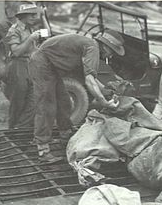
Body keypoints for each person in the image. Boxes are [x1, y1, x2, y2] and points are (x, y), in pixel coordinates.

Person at [29, 29, 125, 162]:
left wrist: (107, 92)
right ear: (106, 47)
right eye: (112, 52)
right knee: (47, 105)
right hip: (42, 64)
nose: (111, 55)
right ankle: (42, 149)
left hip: (51, 65)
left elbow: (92, 78)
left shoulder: (89, 45)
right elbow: (89, 81)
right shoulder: (93, 48)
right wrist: (103, 101)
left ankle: (65, 136)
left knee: (64, 101)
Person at [4, 2, 44, 128]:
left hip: (30, 65)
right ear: (23, 16)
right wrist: (30, 39)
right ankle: (13, 131)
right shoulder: (14, 30)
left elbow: (47, 33)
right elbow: (16, 52)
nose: (34, 17)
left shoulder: (30, 28)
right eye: (31, 15)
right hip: (18, 66)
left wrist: (43, 16)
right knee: (18, 101)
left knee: (33, 100)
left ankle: (21, 129)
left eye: (35, 14)